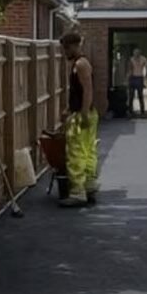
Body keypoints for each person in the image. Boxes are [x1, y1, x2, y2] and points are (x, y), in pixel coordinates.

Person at [60, 29, 98, 207]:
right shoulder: (80, 63)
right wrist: (70, 107)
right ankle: (90, 186)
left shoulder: (81, 64)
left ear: (75, 46)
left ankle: (77, 192)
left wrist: (81, 114)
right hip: (87, 112)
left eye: (67, 48)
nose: (65, 52)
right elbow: (79, 92)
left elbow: (87, 90)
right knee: (88, 151)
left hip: (82, 114)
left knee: (75, 152)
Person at [128, 47, 147, 116]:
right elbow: (130, 69)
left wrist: (146, 78)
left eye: (137, 53)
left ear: (139, 53)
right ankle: (130, 111)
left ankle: (142, 111)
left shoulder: (143, 59)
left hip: (139, 77)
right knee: (131, 95)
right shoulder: (131, 59)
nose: (136, 54)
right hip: (133, 77)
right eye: (135, 53)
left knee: (140, 95)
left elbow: (146, 69)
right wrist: (128, 78)